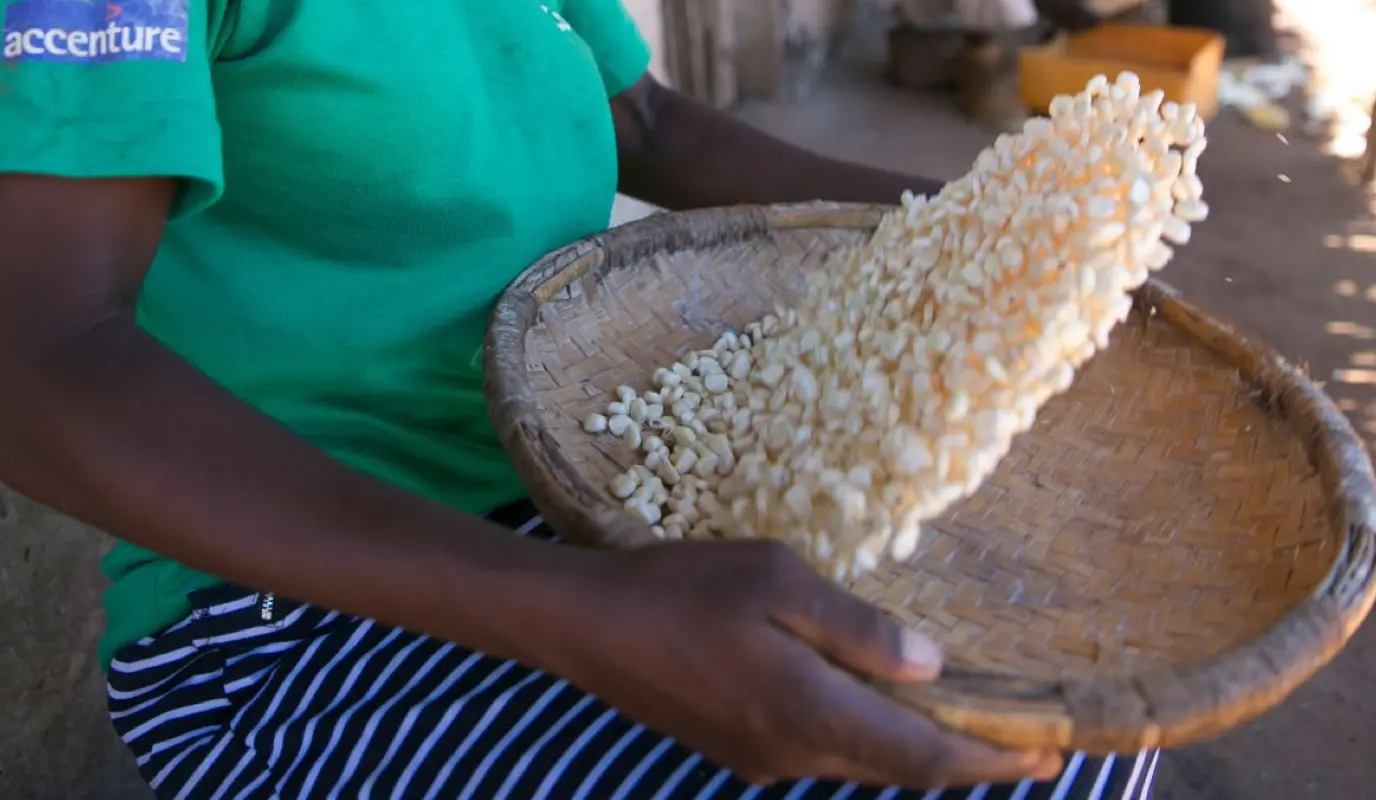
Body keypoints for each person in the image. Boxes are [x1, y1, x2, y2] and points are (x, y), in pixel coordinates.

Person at [0, 1, 1158, 797]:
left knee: (1073, 720)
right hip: (298, 620)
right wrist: (571, 607)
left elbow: (645, 121)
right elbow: (32, 356)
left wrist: (1011, 230)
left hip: (587, 492)